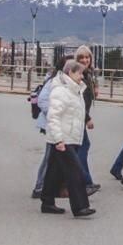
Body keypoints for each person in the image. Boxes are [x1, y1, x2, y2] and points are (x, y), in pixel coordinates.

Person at [39, 60, 96, 218]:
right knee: (75, 171)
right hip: (63, 138)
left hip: (70, 136)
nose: (82, 77)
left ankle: (47, 202)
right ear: (70, 72)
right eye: (79, 73)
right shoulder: (61, 91)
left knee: (54, 171)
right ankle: (80, 207)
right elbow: (54, 116)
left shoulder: (74, 90)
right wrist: (58, 140)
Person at [32, 57, 70, 199]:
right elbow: (42, 100)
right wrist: (56, 114)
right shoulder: (53, 81)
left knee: (58, 157)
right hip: (53, 124)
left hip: (62, 125)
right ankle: (39, 186)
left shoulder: (68, 82)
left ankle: (56, 186)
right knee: (49, 156)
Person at [74, 45, 100, 194]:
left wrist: (95, 87)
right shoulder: (77, 75)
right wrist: (87, 118)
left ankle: (86, 181)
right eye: (81, 57)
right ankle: (85, 182)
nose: (85, 60)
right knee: (82, 148)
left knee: (81, 148)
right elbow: (77, 100)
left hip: (80, 118)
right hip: (78, 118)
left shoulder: (88, 74)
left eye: (87, 57)